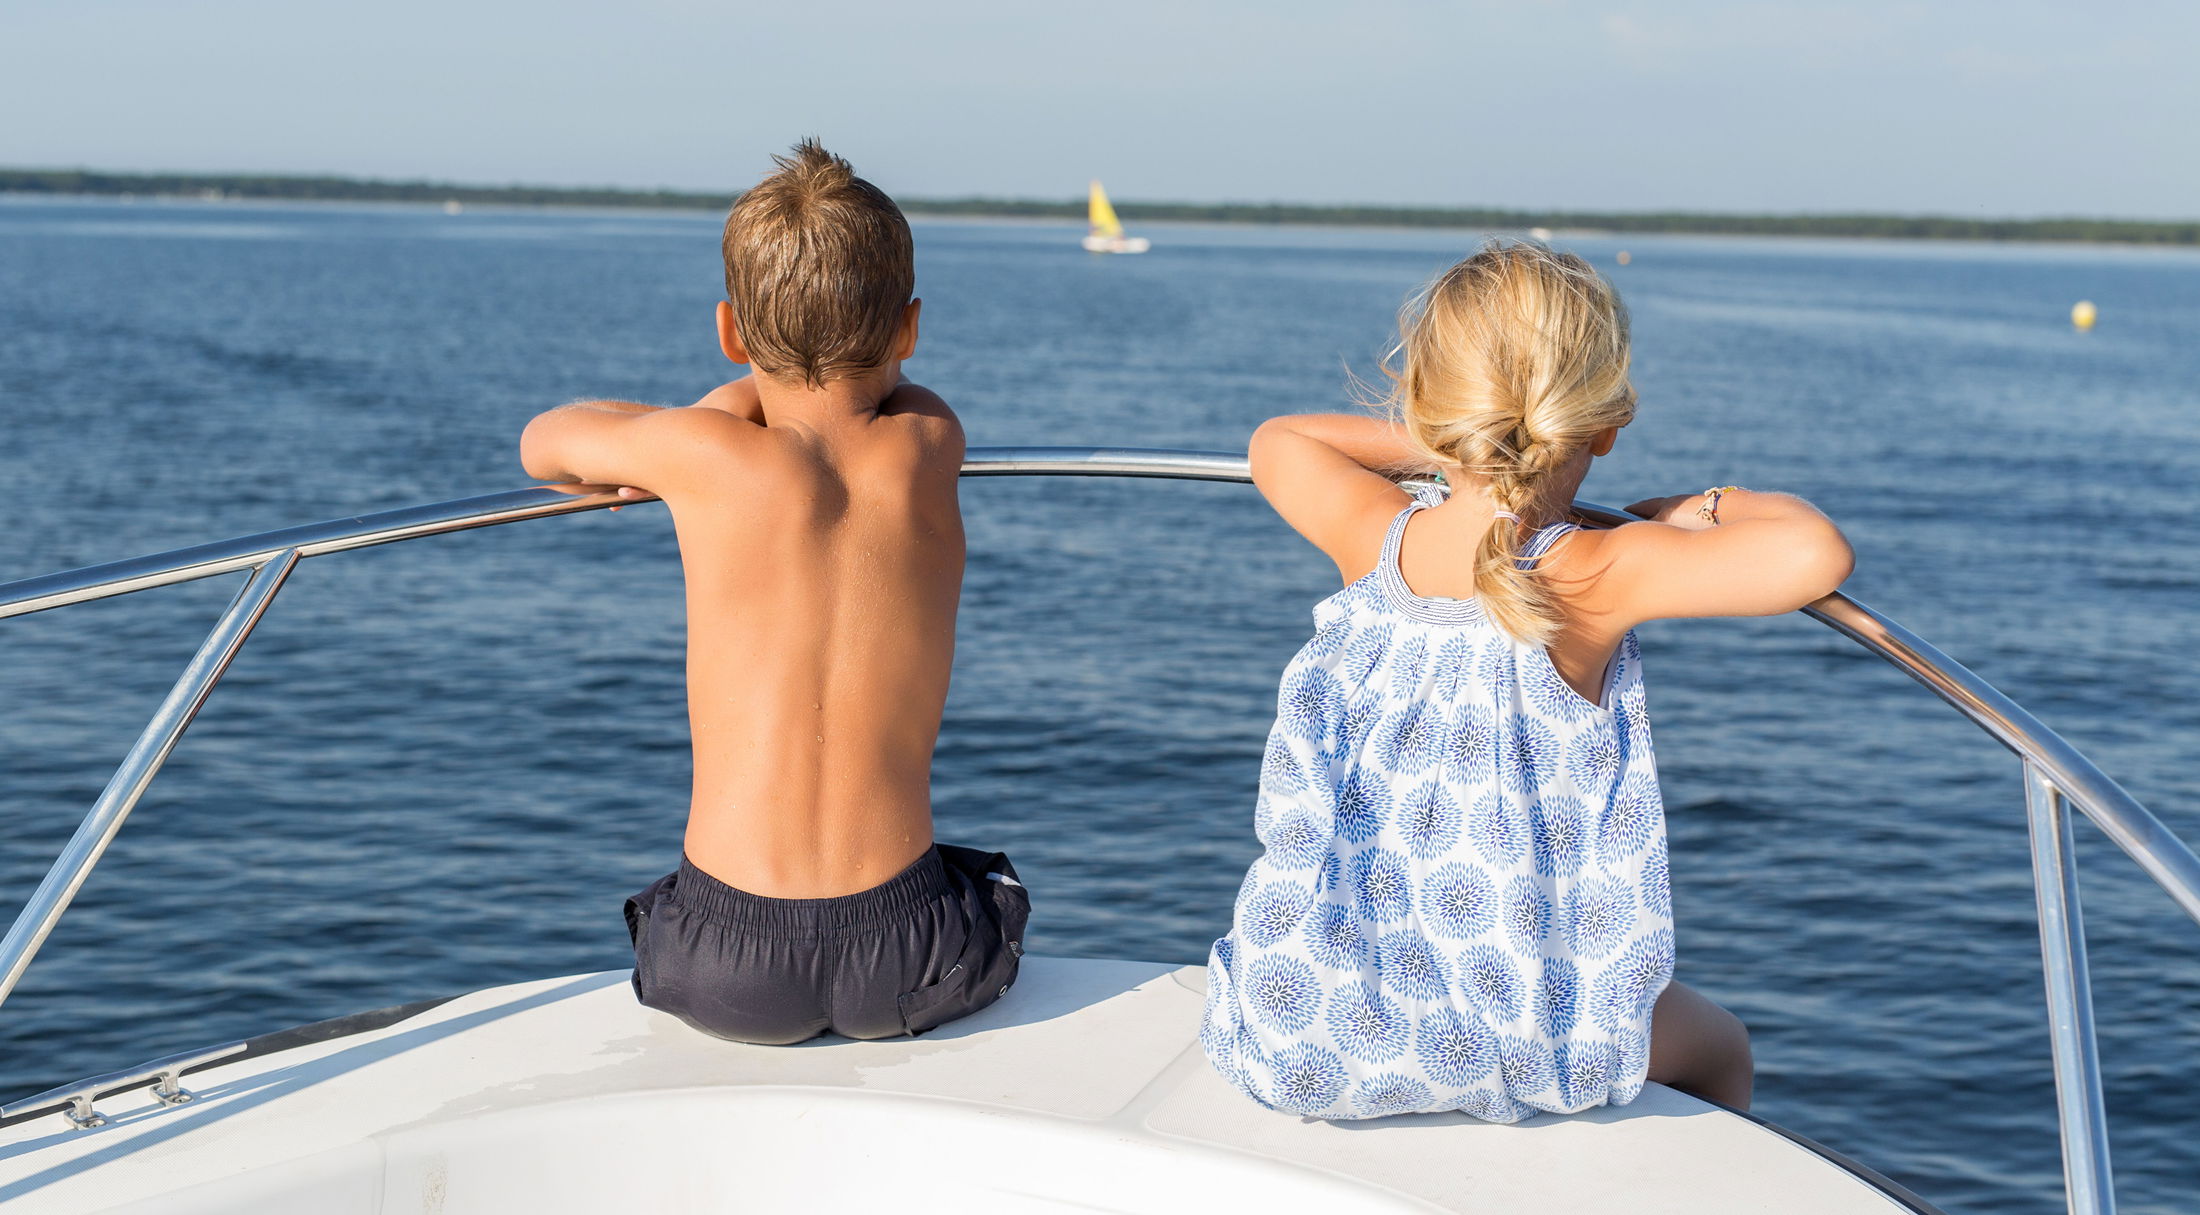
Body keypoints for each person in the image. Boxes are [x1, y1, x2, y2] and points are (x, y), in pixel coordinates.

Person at [1199, 241, 1853, 1121]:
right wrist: (1700, 508)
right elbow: (1814, 553)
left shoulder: (1376, 538)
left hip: (1300, 1021)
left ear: (1437, 411)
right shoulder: (1598, 570)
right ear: (1608, 422)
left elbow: (1279, 440)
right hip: (1514, 1033)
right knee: (1721, 1046)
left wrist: (1454, 442)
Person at [519, 140, 1026, 1045]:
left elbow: (545, 443)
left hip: (722, 958)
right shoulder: (930, 439)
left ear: (729, 332)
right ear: (909, 330)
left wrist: (702, 424)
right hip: (909, 950)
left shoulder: (705, 454)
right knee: (984, 884)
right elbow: (868, 409)